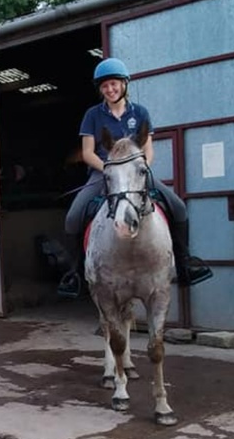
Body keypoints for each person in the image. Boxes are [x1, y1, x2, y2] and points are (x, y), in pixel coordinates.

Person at [57, 58, 213, 298]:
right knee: (73, 217)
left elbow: (148, 150)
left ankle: (185, 265)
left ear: (124, 84)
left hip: (136, 173)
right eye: (105, 86)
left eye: (114, 84)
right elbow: (88, 152)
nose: (110, 89)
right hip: (103, 173)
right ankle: (75, 273)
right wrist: (111, 169)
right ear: (100, 89)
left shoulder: (140, 113)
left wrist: (139, 169)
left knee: (179, 208)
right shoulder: (92, 115)